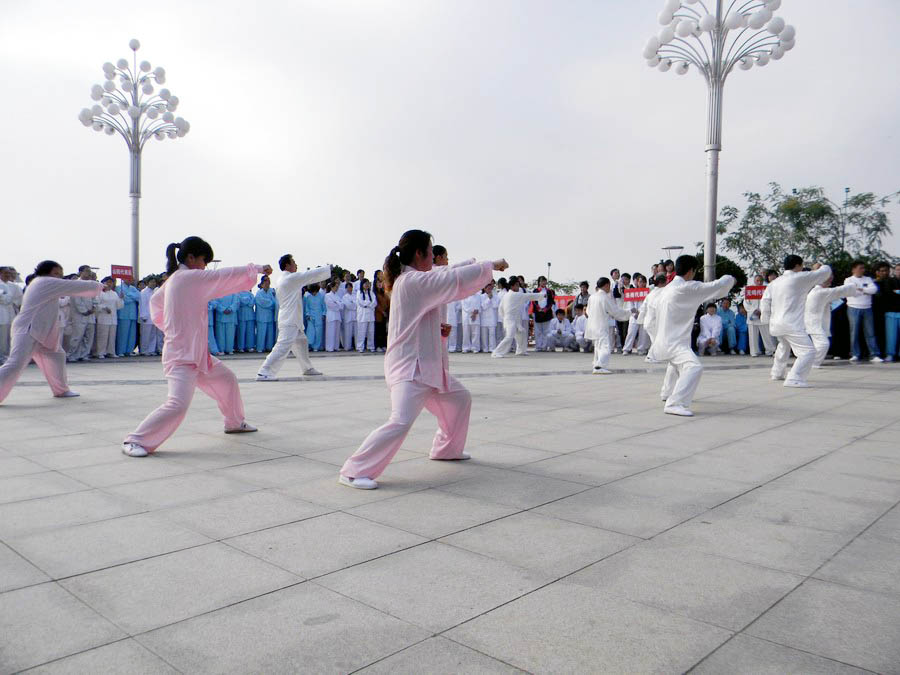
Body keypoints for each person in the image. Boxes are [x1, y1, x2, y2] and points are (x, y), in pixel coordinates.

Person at [339, 229, 507, 488]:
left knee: (459, 399)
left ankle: (446, 449)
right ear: (419, 254)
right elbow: (450, 277)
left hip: (425, 366)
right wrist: (489, 266)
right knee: (400, 420)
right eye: (430, 252)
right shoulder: (411, 281)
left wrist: (436, 328)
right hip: (409, 368)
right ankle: (353, 472)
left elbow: (444, 274)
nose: (434, 258)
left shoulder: (413, 279)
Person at [122, 237, 272, 457]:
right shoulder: (187, 277)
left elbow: (156, 304)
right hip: (182, 356)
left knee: (227, 380)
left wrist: (172, 326)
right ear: (191, 258)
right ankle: (135, 440)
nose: (205, 267)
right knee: (177, 404)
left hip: (197, 354)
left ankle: (234, 422)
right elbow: (222, 275)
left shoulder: (175, 280)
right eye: (204, 261)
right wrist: (256, 268)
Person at [0, 261, 102, 404]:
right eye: (56, 273)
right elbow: (75, 286)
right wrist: (99, 285)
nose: (59, 276)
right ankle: (61, 390)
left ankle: (61, 390)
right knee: (15, 363)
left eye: (60, 274)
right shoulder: (44, 282)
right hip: (28, 329)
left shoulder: (44, 283)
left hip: (42, 331)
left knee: (57, 356)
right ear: (46, 272)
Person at [644, 255, 735, 416]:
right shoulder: (687, 288)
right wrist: (730, 278)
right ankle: (675, 403)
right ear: (690, 271)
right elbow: (716, 286)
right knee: (693, 367)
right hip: (675, 342)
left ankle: (667, 393)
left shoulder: (666, 290)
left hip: (663, 341)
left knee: (675, 365)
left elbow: (651, 319)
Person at [256, 255, 331, 381]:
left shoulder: (283, 279)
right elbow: (308, 275)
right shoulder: (290, 278)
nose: (296, 265)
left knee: (301, 343)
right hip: (290, 320)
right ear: (287, 265)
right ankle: (264, 371)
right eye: (294, 262)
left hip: (292, 318)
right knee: (282, 346)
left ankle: (307, 368)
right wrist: (327, 268)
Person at [761, 256, 832, 386]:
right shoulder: (799, 277)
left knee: (783, 346)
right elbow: (825, 273)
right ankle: (794, 378)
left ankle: (777, 373)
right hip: (791, 324)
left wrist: (766, 319)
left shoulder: (774, 283)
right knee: (808, 351)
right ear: (798, 265)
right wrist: (821, 267)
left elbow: (765, 302)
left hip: (776, 324)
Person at [805, 275, 858, 368]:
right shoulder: (819, 292)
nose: (830, 282)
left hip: (815, 321)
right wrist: (853, 285)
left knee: (819, 344)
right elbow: (836, 291)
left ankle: (812, 362)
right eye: (829, 280)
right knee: (823, 344)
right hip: (814, 322)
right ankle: (813, 363)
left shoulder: (819, 291)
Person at [584, 277, 631, 374]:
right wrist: (629, 312)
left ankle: (596, 364)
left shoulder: (592, 297)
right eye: (609, 285)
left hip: (592, 325)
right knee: (605, 347)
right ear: (606, 285)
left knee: (598, 346)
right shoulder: (605, 297)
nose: (610, 288)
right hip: (601, 325)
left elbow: (588, 311)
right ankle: (599, 366)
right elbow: (615, 311)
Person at [491, 278, 544, 358]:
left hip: (513, 320)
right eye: (517, 285)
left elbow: (500, 309)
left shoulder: (506, 295)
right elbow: (529, 296)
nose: (518, 287)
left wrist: (504, 317)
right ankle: (496, 352)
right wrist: (542, 295)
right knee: (509, 336)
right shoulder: (515, 295)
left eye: (518, 285)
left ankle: (520, 351)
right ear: (512, 286)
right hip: (510, 320)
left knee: (521, 333)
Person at [843, 261, 882, 362]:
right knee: (854, 332)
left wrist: (861, 289)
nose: (863, 270)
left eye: (864, 268)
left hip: (867, 308)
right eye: (860, 268)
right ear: (854, 269)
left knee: (870, 332)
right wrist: (865, 290)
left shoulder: (868, 279)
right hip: (853, 308)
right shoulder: (848, 280)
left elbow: (874, 290)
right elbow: (851, 292)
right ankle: (855, 354)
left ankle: (874, 355)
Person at [93, 276, 124, 358]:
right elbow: (96, 304)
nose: (109, 284)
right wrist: (104, 308)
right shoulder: (100, 293)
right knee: (102, 336)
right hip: (103, 317)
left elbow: (119, 306)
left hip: (113, 318)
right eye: (107, 282)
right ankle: (100, 352)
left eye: (111, 282)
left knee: (112, 336)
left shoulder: (114, 293)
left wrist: (121, 299)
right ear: (103, 283)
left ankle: (111, 352)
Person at [745, 274, 775, 357]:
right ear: (754, 281)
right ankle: (754, 352)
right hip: (752, 315)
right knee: (753, 336)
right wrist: (754, 311)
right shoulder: (750, 289)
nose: (759, 282)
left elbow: (769, 302)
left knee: (767, 335)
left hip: (763, 314)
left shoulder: (767, 289)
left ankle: (770, 351)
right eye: (757, 280)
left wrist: (761, 310)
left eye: (760, 280)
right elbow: (746, 303)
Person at [622, 274, 649, 355]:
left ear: (645, 283)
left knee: (643, 333)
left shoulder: (648, 293)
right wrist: (635, 313)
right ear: (637, 282)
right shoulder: (632, 292)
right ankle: (626, 349)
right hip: (634, 315)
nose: (642, 283)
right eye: (640, 282)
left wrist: (641, 312)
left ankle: (641, 349)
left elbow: (648, 305)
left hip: (644, 315)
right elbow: (630, 304)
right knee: (631, 332)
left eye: (643, 282)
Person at [115, 277, 140, 356]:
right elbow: (124, 300)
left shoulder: (133, 288)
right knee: (123, 334)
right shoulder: (119, 287)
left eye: (131, 279)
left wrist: (128, 295)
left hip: (133, 314)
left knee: (132, 334)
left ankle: (129, 350)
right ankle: (120, 351)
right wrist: (132, 297)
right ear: (123, 279)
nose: (130, 280)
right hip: (123, 313)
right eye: (128, 278)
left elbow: (138, 297)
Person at [254, 276, 278, 352]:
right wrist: (271, 303)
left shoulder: (272, 292)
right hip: (261, 317)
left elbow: (276, 302)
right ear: (262, 282)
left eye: (268, 280)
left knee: (270, 334)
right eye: (266, 280)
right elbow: (262, 302)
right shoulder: (259, 293)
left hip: (270, 317)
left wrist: (270, 303)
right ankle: (260, 348)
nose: (268, 282)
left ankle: (269, 347)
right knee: (261, 334)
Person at [531, 276, 555, 352]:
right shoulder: (535, 291)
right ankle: (538, 346)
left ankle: (544, 346)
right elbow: (534, 301)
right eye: (542, 281)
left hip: (546, 312)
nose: (543, 282)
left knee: (546, 331)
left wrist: (545, 309)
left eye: (545, 281)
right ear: (539, 282)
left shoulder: (549, 291)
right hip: (537, 312)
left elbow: (551, 302)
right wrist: (539, 308)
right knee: (538, 331)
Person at [355, 278, 376, 352]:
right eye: (365, 283)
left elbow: (374, 302)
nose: (367, 285)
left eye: (368, 283)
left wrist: (367, 304)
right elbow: (361, 302)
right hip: (362, 315)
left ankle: (371, 346)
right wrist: (369, 303)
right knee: (361, 332)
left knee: (371, 332)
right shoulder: (359, 292)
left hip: (370, 315)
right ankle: (360, 347)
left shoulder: (371, 292)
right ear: (362, 284)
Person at [304, 283, 326, 351]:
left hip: (319, 316)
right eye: (312, 292)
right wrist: (307, 314)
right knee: (310, 332)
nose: (313, 293)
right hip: (310, 317)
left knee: (318, 333)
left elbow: (324, 307)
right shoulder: (308, 297)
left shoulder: (321, 296)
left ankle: (316, 347)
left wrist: (323, 314)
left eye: (314, 292)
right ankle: (309, 345)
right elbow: (307, 307)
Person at [479, 281, 499, 352]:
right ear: (484, 289)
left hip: (492, 318)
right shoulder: (481, 296)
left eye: (491, 288)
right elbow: (483, 307)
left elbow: (496, 306)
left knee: (492, 334)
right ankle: (485, 348)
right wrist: (488, 299)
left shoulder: (495, 296)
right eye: (488, 288)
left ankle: (492, 348)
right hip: (484, 318)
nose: (490, 290)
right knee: (484, 335)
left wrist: (491, 298)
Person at [324, 280, 343, 352]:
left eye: (337, 287)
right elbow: (331, 305)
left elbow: (342, 305)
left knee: (337, 332)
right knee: (330, 332)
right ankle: (329, 347)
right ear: (332, 287)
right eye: (335, 287)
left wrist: (337, 303)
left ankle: (336, 347)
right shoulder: (327, 295)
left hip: (337, 315)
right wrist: (338, 304)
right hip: (331, 315)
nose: (337, 288)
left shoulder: (337, 296)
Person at [236, 288, 256, 353]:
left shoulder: (250, 294)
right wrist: (247, 300)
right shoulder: (238, 293)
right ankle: (241, 347)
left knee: (250, 332)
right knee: (241, 332)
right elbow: (240, 303)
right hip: (241, 315)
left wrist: (245, 301)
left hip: (250, 316)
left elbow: (252, 303)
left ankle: (249, 346)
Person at [340, 281, 357, 351]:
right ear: (346, 288)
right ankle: (347, 347)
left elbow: (357, 305)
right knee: (348, 333)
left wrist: (353, 304)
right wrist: (353, 304)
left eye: (350, 287)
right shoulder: (344, 297)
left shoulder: (355, 295)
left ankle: (357, 346)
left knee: (356, 333)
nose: (349, 288)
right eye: (348, 287)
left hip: (355, 316)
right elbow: (348, 306)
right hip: (348, 317)